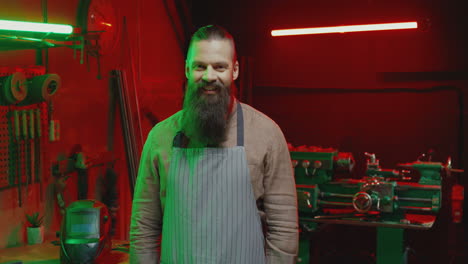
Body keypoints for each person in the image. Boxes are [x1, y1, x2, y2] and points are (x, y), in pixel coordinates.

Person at [129, 25, 298, 264]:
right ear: (187, 69)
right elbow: (144, 227)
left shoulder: (266, 134)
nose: (209, 76)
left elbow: (284, 228)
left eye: (220, 67)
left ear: (235, 71)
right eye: (200, 66)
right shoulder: (161, 137)